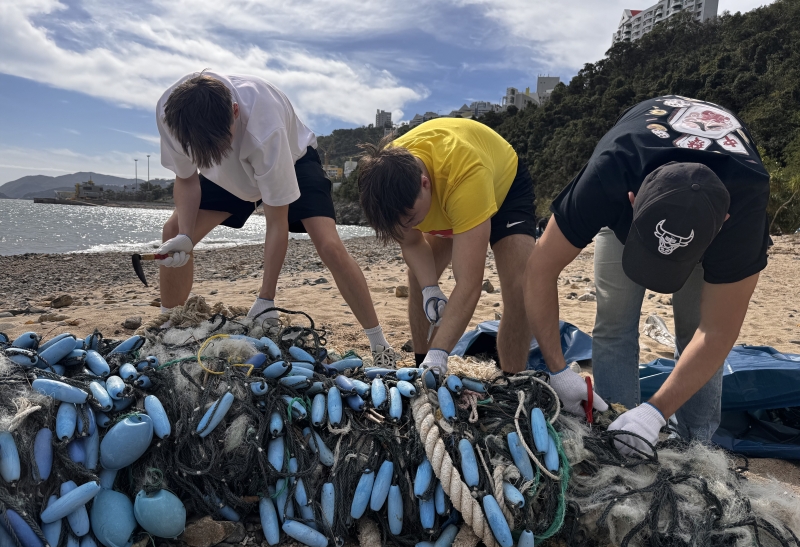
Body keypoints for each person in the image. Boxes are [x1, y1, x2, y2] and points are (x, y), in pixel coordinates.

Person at [523, 95, 770, 455]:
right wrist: (558, 369)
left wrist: (656, 413)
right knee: (614, 320)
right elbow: (539, 269)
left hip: (716, 207)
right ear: (632, 199)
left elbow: (716, 332)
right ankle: (616, 428)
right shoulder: (611, 170)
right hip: (635, 172)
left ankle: (697, 445)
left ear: (723, 226)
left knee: (694, 326)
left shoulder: (745, 205)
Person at [155, 71, 398, 367]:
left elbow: (276, 222)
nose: (219, 154)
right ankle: (168, 325)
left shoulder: (265, 126)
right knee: (173, 230)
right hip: (226, 175)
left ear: (235, 112)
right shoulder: (171, 113)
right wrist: (187, 236)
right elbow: (187, 179)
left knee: (330, 246)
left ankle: (379, 343)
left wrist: (266, 298)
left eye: (221, 145)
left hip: (293, 160)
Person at [358, 118, 538, 374]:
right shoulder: (386, 182)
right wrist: (431, 288)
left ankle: (511, 376)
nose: (408, 227)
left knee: (519, 289)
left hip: (503, 186)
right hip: (446, 199)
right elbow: (412, 245)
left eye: (411, 220)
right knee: (418, 279)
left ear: (424, 183)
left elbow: (469, 283)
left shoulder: (463, 176)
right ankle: (421, 364)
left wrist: (440, 353)